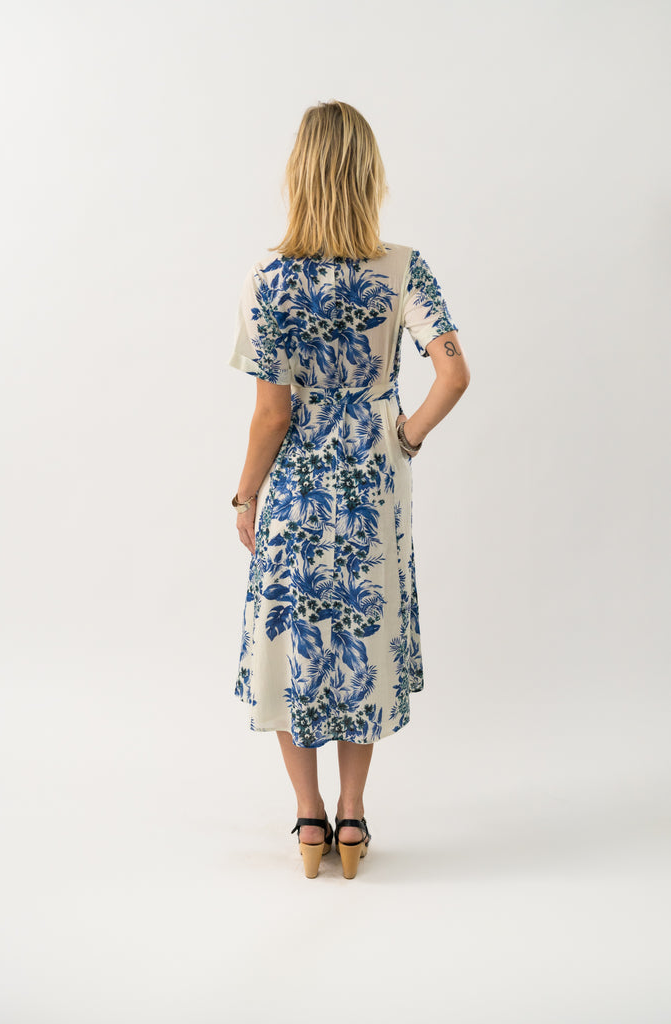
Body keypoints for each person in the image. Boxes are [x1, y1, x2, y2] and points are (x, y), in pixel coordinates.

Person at [228, 100, 470, 878]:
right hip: (374, 476)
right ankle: (355, 818)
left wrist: (244, 496)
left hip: (298, 479)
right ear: (369, 173)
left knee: (294, 635)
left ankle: (307, 823)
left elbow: (272, 412)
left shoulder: (268, 279)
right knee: (363, 629)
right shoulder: (404, 266)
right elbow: (454, 371)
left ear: (298, 173)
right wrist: (405, 435)